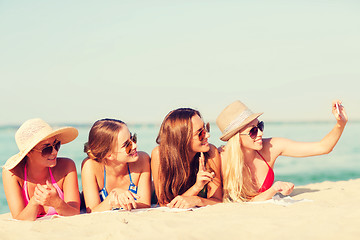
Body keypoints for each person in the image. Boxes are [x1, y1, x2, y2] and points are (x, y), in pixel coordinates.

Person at [216, 100, 347, 202]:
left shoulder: (272, 146)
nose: (260, 133)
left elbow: (322, 147)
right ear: (237, 139)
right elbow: (242, 203)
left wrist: (340, 124)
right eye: (253, 131)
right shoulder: (221, 158)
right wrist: (274, 189)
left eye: (260, 126)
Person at [2, 118, 80, 220]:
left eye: (56, 145)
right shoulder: (12, 174)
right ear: (29, 153)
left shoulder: (67, 167)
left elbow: (75, 213)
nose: (54, 152)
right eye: (46, 149)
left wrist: (57, 203)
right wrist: (35, 202)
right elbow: (19, 220)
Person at [151, 108, 222, 208]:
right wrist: (196, 188)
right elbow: (165, 205)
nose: (207, 135)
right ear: (182, 138)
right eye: (200, 133)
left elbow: (218, 200)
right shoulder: (160, 155)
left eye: (206, 128)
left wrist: (197, 200)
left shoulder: (210, 153)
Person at [81, 118, 151, 212]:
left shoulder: (142, 160)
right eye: (127, 145)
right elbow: (92, 211)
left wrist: (125, 203)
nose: (134, 146)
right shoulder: (90, 167)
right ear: (109, 155)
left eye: (133, 138)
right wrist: (112, 198)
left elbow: (145, 205)